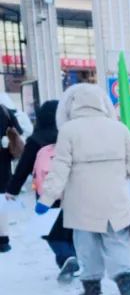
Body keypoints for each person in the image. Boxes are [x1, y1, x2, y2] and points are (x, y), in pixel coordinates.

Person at [39, 84, 130, 295]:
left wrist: (46, 199)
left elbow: (60, 168)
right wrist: (120, 174)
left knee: (87, 247)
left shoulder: (68, 130)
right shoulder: (119, 128)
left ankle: (91, 293)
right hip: (115, 200)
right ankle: (128, 292)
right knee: (117, 244)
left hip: (81, 202)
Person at [5, 100, 79, 281]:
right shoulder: (71, 135)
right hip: (73, 188)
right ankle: (73, 257)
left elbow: (23, 168)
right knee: (71, 227)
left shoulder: (36, 140)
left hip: (47, 192)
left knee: (49, 229)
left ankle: (66, 257)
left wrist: (12, 190)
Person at [0, 94, 25, 253]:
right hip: (2, 162)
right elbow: (19, 131)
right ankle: (3, 240)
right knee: (1, 200)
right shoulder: (4, 110)